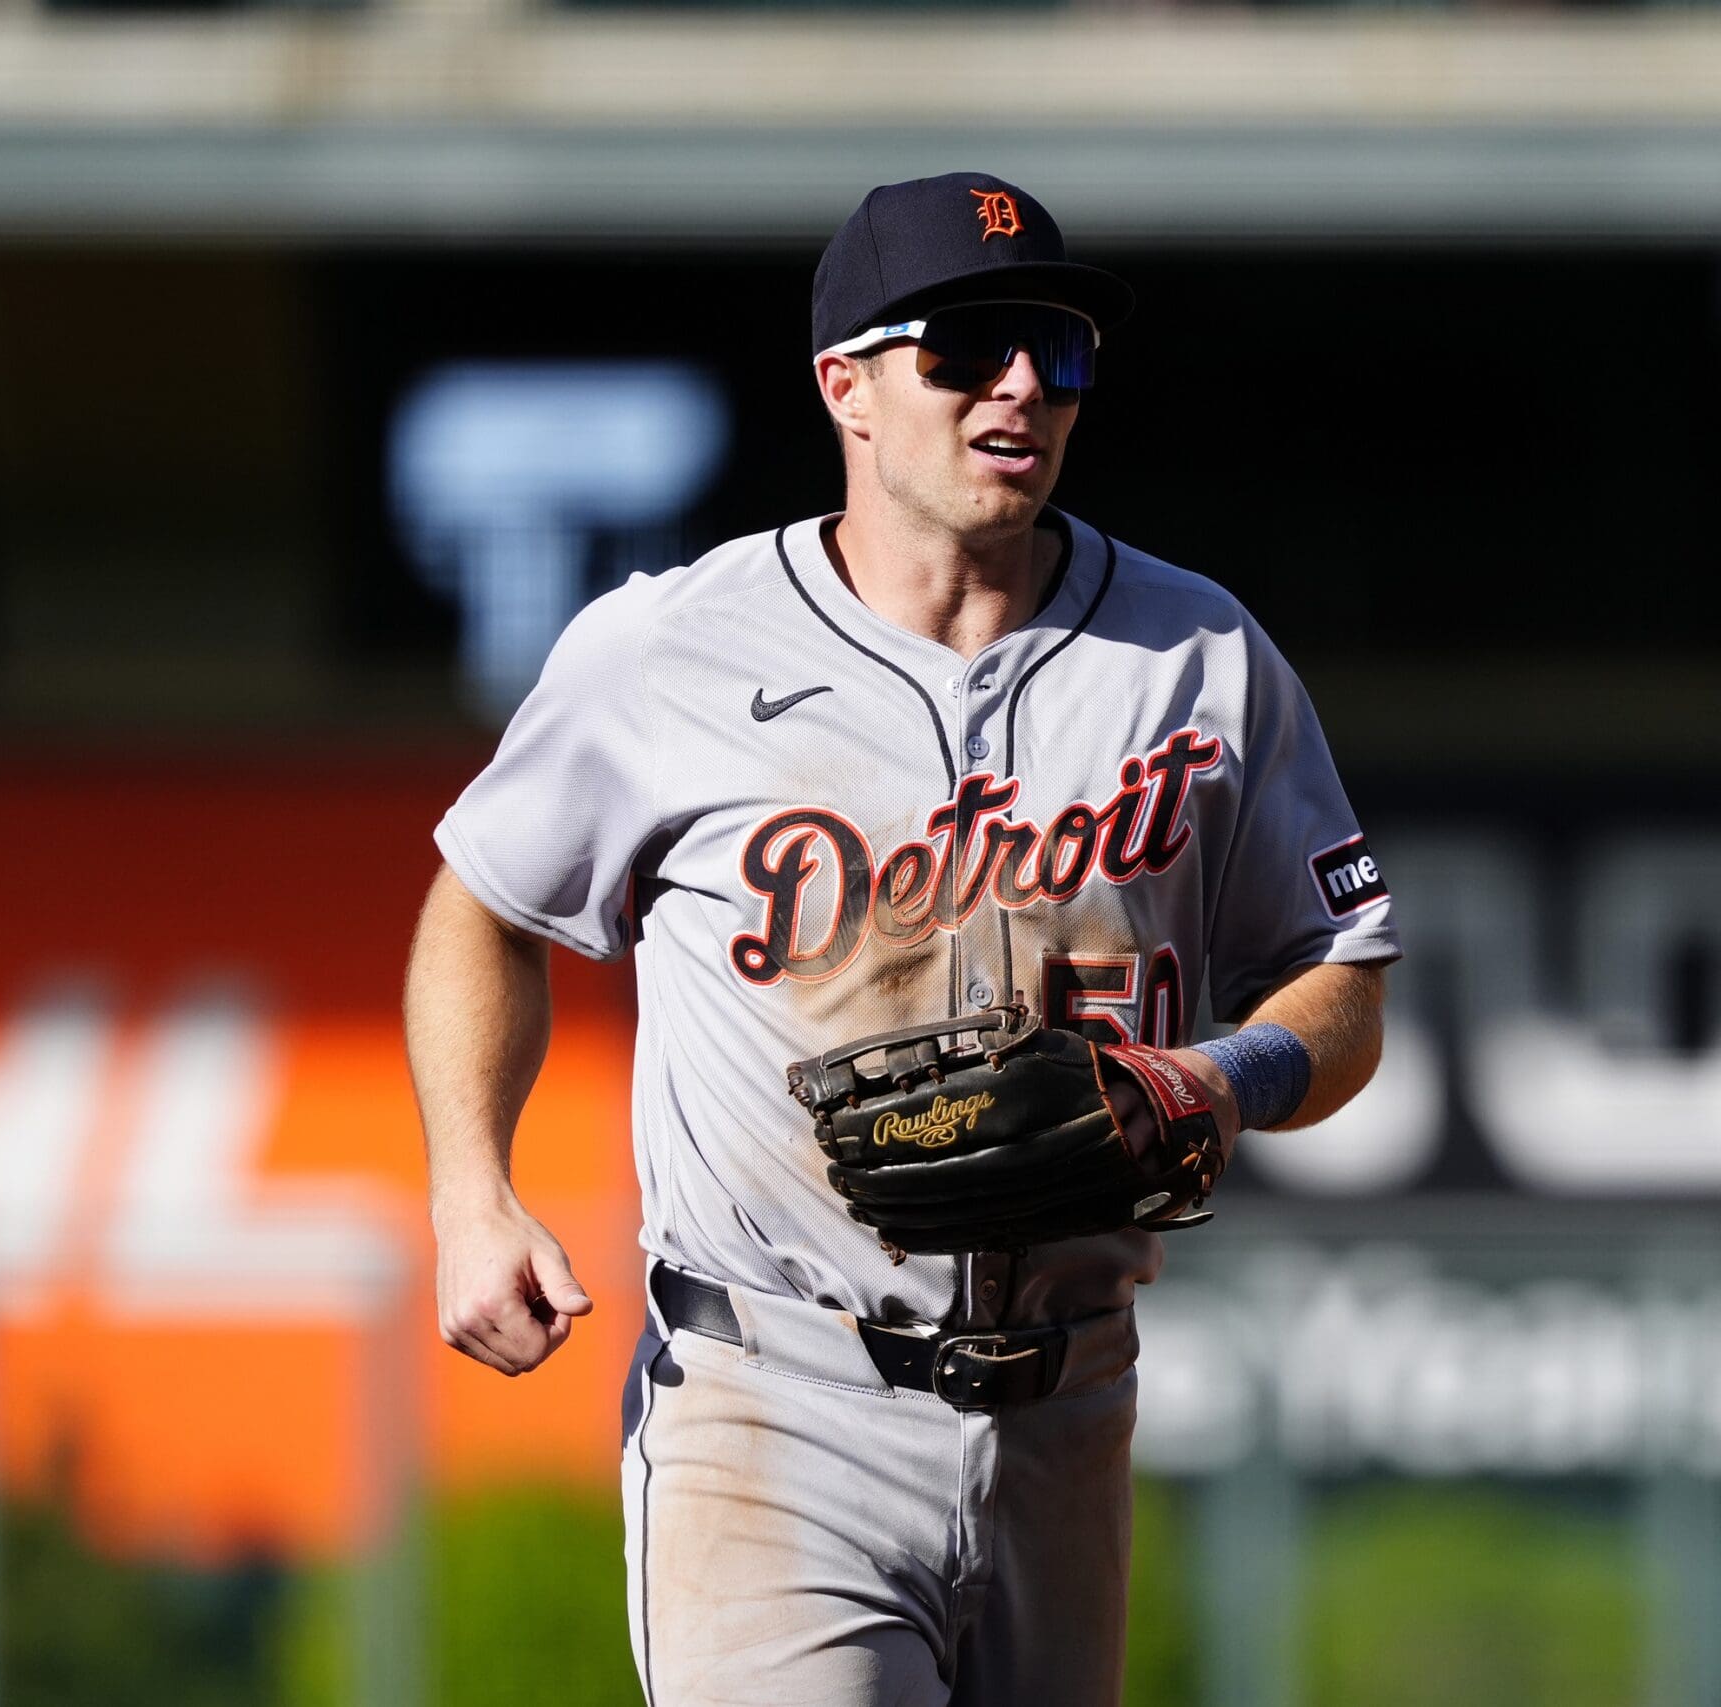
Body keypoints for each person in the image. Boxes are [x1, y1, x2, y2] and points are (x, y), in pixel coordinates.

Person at [404, 171, 1398, 1706]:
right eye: (969, 348)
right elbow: (483, 901)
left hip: (1072, 1409)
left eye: (1057, 353)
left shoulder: (1198, 655)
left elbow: (1344, 978)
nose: (1022, 386)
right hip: (772, 1393)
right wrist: (474, 1194)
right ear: (846, 387)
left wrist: (1231, 1078)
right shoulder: (672, 647)